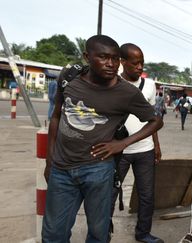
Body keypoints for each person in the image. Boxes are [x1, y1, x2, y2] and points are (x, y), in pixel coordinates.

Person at [42, 35, 163, 243]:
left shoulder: (126, 92)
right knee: (53, 234)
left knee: (99, 233)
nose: (111, 64)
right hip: (61, 169)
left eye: (115, 59)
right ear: (87, 57)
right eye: (104, 57)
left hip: (98, 170)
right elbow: (56, 116)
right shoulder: (68, 78)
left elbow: (155, 120)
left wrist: (122, 143)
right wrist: (49, 158)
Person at [111, 43, 164, 243]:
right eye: (135, 63)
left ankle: (143, 233)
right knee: (110, 193)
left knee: (147, 196)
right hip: (119, 151)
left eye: (142, 63)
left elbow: (153, 119)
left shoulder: (149, 85)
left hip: (145, 150)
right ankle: (103, 232)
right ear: (122, 62)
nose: (140, 67)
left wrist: (156, 146)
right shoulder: (112, 83)